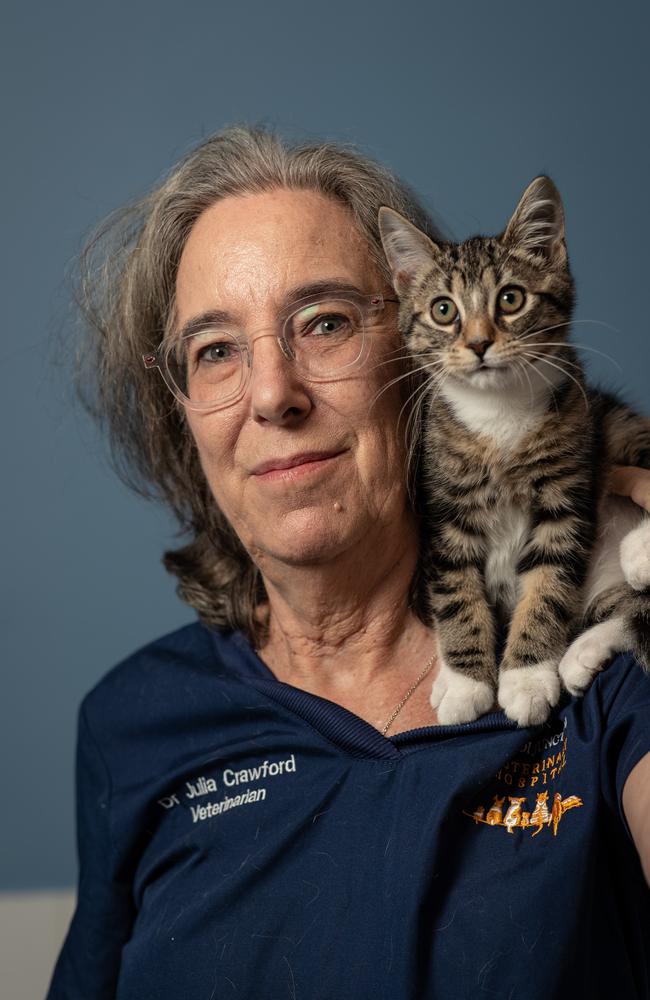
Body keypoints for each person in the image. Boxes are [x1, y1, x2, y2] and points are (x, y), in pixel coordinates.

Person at [47, 126, 650, 999]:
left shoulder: (601, 653)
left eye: (324, 323)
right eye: (215, 349)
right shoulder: (130, 723)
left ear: (413, 350)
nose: (271, 393)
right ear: (177, 408)